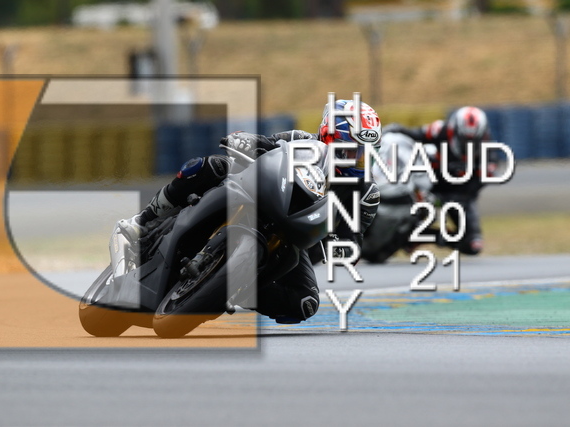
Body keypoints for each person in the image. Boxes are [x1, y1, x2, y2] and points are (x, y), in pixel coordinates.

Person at [119, 99, 381, 324]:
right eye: (352, 150)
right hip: (259, 195)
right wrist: (244, 141)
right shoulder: (301, 141)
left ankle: (234, 288)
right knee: (211, 167)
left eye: (365, 154)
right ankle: (144, 220)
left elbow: (353, 240)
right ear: (328, 137)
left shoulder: (366, 194)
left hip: (293, 239)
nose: (357, 160)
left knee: (305, 303)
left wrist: (339, 246)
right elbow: (265, 143)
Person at [385, 106, 495, 255]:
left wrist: (449, 199)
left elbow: (477, 185)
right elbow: (415, 135)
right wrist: (396, 129)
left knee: (473, 245)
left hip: (459, 195)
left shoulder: (488, 151)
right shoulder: (440, 130)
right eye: (464, 139)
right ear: (454, 130)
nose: (468, 145)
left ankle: (424, 237)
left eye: (472, 141)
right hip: (430, 186)